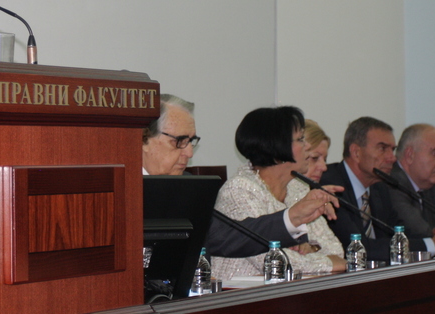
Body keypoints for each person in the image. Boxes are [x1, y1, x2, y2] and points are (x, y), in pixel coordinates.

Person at [142, 96, 339, 259]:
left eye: (191, 141)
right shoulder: (124, 189)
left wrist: (293, 217)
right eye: (179, 141)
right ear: (143, 139)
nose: (189, 153)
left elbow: (227, 237)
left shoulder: (189, 187)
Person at [209, 106, 347, 280]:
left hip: (290, 288)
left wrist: (312, 248)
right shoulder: (238, 190)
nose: (307, 146)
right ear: (277, 148)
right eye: (301, 139)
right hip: (239, 293)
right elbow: (271, 261)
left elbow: (336, 251)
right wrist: (326, 263)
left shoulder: (298, 188)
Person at [320, 117, 435, 262]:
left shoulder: (379, 188)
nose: (392, 158)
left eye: (393, 149)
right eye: (383, 148)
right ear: (356, 152)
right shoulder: (329, 185)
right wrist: (433, 245)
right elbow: (357, 248)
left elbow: (399, 234)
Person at [284, 119, 344, 263]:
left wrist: (313, 248)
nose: (324, 167)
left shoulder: (311, 193)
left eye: (325, 159)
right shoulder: (269, 195)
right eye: (315, 158)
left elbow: (338, 252)